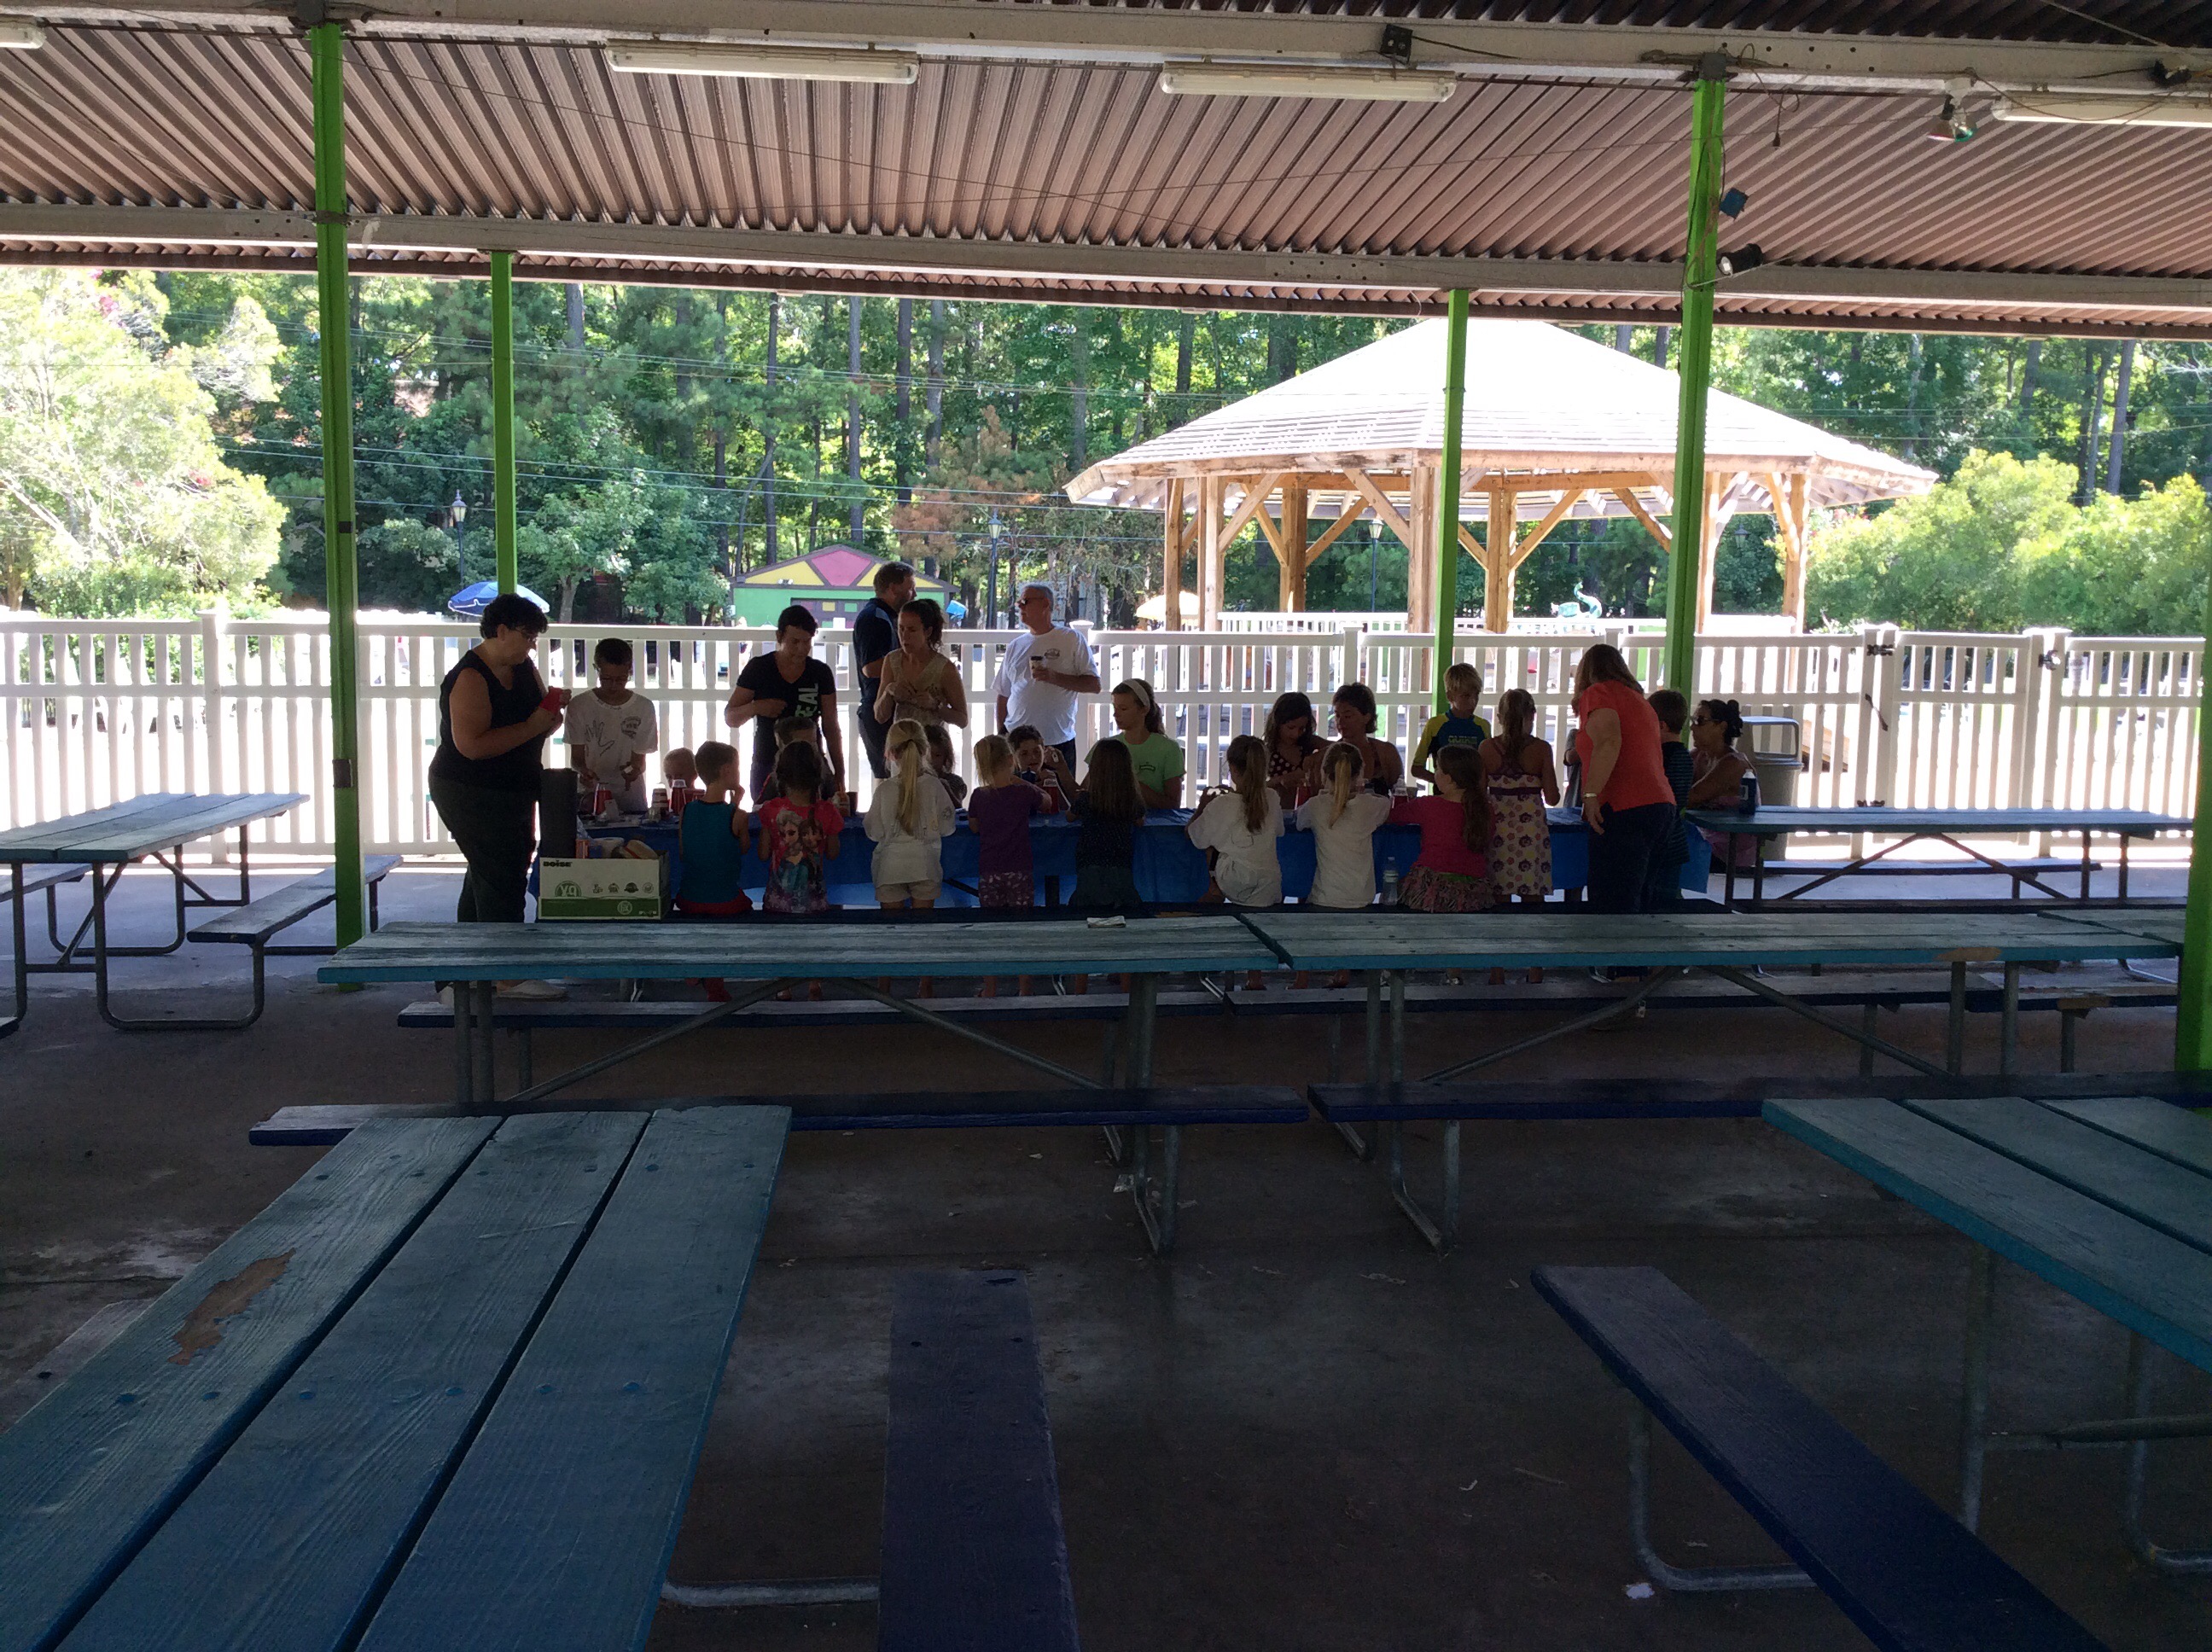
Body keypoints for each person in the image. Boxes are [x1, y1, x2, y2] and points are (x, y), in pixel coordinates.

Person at [427, 594, 563, 998]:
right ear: (500, 631)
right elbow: (472, 746)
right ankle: (505, 974)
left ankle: (463, 976)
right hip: (469, 788)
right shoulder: (470, 676)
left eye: (535, 638)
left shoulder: (523, 667)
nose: (531, 645)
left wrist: (550, 717)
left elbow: (539, 720)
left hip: (514, 784)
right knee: (501, 873)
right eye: (527, 636)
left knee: (489, 873)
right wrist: (534, 725)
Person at [1570, 643, 1678, 914]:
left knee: (1611, 903)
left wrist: (1590, 795)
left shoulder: (1599, 693)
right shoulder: (1639, 701)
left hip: (1623, 806)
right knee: (1640, 899)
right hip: (1660, 806)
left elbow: (1609, 741)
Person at [725, 604, 844, 811]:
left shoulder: (820, 672)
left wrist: (839, 773)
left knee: (817, 820)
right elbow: (731, 717)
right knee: (767, 818)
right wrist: (757, 707)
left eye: (807, 642)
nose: (801, 649)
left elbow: (831, 727)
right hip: (768, 762)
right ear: (779, 637)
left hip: (812, 764)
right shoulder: (759, 668)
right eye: (794, 642)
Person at [1293, 742, 1391, 986]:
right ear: (1361, 773)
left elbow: (1298, 821)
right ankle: (1342, 974)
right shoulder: (1370, 807)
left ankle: (1301, 979)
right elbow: (1386, 804)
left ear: (1324, 774)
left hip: (1325, 898)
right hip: (1362, 898)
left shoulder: (1316, 806)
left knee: (1303, 913)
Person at [968, 733, 1052, 997]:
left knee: (991, 932)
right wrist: (1023, 782)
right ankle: (1024, 987)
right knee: (1023, 931)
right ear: (1010, 759)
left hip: (990, 872)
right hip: (1020, 870)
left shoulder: (978, 796)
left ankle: (990, 988)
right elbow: (1047, 802)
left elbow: (974, 826)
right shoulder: (1023, 792)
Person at [1065, 736, 1147, 993]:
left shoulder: (1087, 800)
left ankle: (1080, 988)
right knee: (1122, 928)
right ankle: (1125, 984)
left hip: (1089, 868)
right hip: (1120, 869)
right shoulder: (1130, 801)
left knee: (1085, 927)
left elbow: (1069, 816)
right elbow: (1140, 820)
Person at [992, 582, 1100, 771]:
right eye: (1019, 602)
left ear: (1045, 604)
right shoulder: (1015, 646)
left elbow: (1094, 685)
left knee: (1059, 790)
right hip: (1017, 742)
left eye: (1025, 601)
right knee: (1016, 791)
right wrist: (1002, 733)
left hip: (1057, 740)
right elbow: (1003, 694)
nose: (1020, 606)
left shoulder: (1071, 639)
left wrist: (1054, 677)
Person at [1388, 745, 1494, 914]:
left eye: (1437, 768)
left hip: (1431, 887)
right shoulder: (1485, 809)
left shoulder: (1428, 805)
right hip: (1474, 891)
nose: (1435, 773)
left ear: (1449, 778)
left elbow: (1392, 816)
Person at [866, 718, 957, 915]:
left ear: (890, 753)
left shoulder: (884, 790)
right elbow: (947, 827)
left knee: (891, 929)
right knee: (923, 929)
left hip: (890, 868)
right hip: (925, 865)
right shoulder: (935, 786)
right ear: (925, 750)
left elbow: (874, 832)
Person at [1480, 688, 1560, 908]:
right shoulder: (1541, 749)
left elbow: (1478, 794)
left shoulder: (1487, 748)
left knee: (1499, 894)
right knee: (1532, 894)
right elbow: (1552, 798)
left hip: (1498, 830)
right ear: (1532, 715)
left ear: (1499, 718)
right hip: (1531, 833)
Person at [562, 637, 658, 813]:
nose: (613, 686)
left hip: (630, 796)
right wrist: (584, 771)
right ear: (596, 669)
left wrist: (635, 770)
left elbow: (640, 759)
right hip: (590, 797)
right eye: (606, 678)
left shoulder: (643, 707)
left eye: (621, 679)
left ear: (629, 670)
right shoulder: (579, 705)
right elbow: (576, 757)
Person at [1188, 734, 1284, 909]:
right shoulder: (1272, 798)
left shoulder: (1221, 804)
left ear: (1232, 769)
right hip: (1270, 886)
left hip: (1236, 884)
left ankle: (1213, 891)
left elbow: (1193, 836)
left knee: (1209, 846)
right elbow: (1279, 831)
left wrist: (1203, 806)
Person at [759, 741, 842, 917]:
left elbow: (763, 854)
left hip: (777, 903)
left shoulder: (770, 810)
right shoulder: (828, 811)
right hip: (815, 904)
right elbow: (833, 853)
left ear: (780, 774)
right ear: (817, 774)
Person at [673, 741, 753, 919]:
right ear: (726, 770)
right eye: (737, 768)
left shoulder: (686, 811)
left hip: (689, 900)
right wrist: (735, 806)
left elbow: (683, 854)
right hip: (725, 902)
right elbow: (743, 849)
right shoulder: (739, 816)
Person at [852, 561, 915, 780]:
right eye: (910, 588)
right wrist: (911, 665)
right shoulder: (875, 618)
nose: (914, 594)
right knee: (890, 779)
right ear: (893, 589)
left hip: (887, 709)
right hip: (878, 709)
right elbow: (870, 668)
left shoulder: (886, 617)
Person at [874, 597, 969, 733]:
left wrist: (936, 705)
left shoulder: (945, 668)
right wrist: (889, 691)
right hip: (901, 742)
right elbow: (879, 716)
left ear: (928, 632)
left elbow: (962, 720)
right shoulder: (892, 661)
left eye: (912, 630)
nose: (905, 636)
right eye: (901, 629)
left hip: (932, 742)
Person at [1644, 689, 1698, 910]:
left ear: (1661, 726)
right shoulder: (1684, 756)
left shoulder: (1665, 758)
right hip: (1673, 839)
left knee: (1659, 900)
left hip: (1663, 841)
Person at [1687, 697, 1756, 870]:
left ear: (1722, 727)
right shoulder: (1698, 756)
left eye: (1700, 721)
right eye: (1693, 721)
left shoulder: (1733, 764)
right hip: (1707, 840)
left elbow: (1689, 798)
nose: (1692, 727)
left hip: (1729, 851)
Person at [1092, 678, 1184, 809]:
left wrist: (1129, 781)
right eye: (1115, 708)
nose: (1115, 714)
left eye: (1123, 709)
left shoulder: (1168, 749)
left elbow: (1173, 805)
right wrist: (1063, 770)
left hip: (1155, 821)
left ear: (1144, 710)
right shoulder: (1107, 747)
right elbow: (1083, 795)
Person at [1411, 663, 1490, 788]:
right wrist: (1442, 782)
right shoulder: (1435, 725)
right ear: (1450, 696)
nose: (1473, 701)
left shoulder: (1483, 726)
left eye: (1476, 695)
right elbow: (1416, 769)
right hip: (1444, 795)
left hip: (1473, 795)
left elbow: (1487, 768)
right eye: (1466, 696)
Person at [1331, 683, 1403, 796]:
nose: (1340, 721)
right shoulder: (1330, 754)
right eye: (1337, 715)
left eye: (1348, 716)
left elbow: (1400, 794)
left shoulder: (1386, 753)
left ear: (1367, 717)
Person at [1261, 692, 1326, 809]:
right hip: (1279, 810)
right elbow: (1258, 788)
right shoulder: (1269, 751)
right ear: (1277, 723)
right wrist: (1281, 780)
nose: (1296, 734)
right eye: (1291, 727)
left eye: (1302, 728)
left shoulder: (1309, 742)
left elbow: (1339, 748)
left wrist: (1317, 756)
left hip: (1310, 810)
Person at [1009, 724, 1069, 811]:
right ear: (1014, 757)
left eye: (1037, 752)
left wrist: (1054, 787)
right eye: (1024, 754)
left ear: (1044, 750)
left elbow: (1065, 811)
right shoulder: (1010, 781)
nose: (1033, 757)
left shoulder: (1051, 776)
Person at [923, 722, 969, 808]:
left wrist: (945, 788)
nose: (931, 760)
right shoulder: (916, 780)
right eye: (927, 755)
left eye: (937, 755)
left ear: (946, 756)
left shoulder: (954, 781)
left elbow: (958, 808)